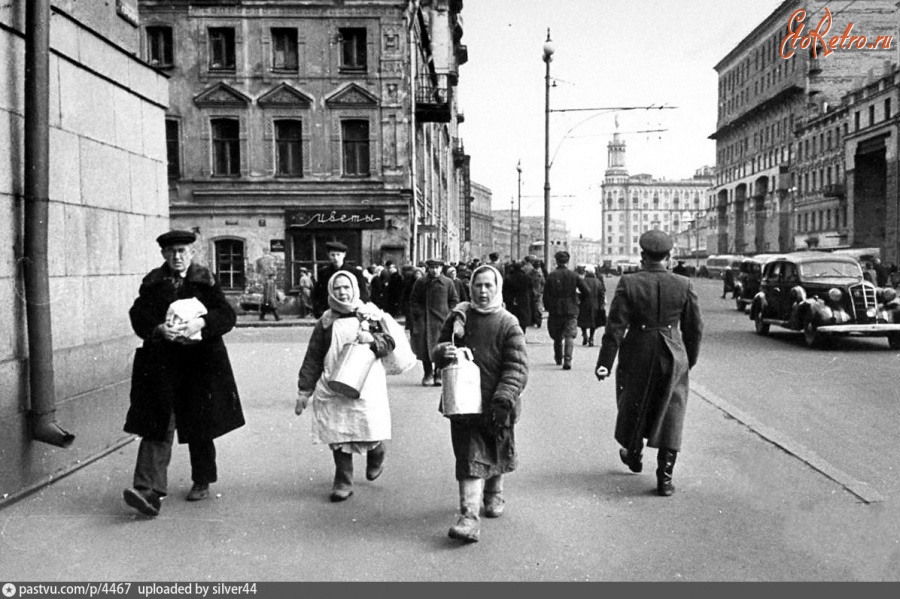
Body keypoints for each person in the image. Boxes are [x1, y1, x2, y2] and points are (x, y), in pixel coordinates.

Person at [122, 230, 245, 517]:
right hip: (162, 364)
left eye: (183, 251)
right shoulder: (153, 283)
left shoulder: (206, 281)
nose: (177, 257)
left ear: (192, 253)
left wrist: (201, 323)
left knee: (200, 423)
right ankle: (147, 491)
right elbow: (138, 315)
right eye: (172, 252)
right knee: (157, 423)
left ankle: (202, 479)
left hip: (200, 364)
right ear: (164, 254)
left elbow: (227, 315)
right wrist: (157, 329)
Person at [594, 230, 703, 497]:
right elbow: (694, 328)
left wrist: (605, 362)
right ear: (669, 256)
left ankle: (633, 454)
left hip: (637, 351)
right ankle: (665, 478)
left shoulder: (629, 283)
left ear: (642, 255)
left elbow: (615, 326)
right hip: (672, 354)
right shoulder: (684, 284)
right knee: (671, 411)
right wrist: (687, 359)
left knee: (634, 404)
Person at [432, 265, 528, 543]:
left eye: (488, 286)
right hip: (463, 402)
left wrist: (504, 397)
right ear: (470, 287)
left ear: (497, 288)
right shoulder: (459, 318)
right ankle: (468, 518)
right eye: (478, 286)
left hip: (498, 402)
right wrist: (442, 352)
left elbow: (517, 367)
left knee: (497, 450)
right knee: (469, 457)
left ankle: (494, 492)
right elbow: (438, 347)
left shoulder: (508, 323)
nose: (483, 291)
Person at [294, 272, 397, 502]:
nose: (342, 292)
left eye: (346, 287)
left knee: (367, 425)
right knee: (337, 432)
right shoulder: (326, 320)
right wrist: (304, 390)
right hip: (334, 382)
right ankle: (343, 480)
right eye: (338, 288)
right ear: (331, 291)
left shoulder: (369, 314)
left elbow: (389, 343)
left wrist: (372, 340)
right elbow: (314, 355)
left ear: (355, 289)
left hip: (366, 383)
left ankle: (376, 451)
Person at [410, 259, 459, 386]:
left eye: (437, 267)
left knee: (441, 346)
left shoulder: (448, 283)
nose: (435, 270)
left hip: (442, 321)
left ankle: (439, 373)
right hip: (425, 320)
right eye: (432, 267)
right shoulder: (421, 282)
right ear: (428, 268)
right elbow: (414, 300)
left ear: (442, 268)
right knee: (425, 348)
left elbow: (454, 300)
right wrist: (419, 313)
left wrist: (450, 313)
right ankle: (428, 373)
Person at [542, 250, 590, 370]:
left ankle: (558, 358)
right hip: (571, 308)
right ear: (567, 261)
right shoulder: (574, 275)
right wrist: (579, 301)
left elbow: (545, 294)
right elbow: (587, 291)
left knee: (557, 335)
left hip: (555, 309)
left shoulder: (551, 275)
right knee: (569, 335)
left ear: (556, 261)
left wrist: (548, 307)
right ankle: (567, 360)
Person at [312, 241, 369, 318]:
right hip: (330, 313)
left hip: (350, 313)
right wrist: (319, 311)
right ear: (328, 255)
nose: (336, 258)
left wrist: (358, 309)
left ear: (344, 255)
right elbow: (318, 293)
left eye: (338, 255)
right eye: (333, 255)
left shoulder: (355, 272)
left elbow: (363, 293)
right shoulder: (324, 273)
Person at [577, 264, 606, 347]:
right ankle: (591, 338)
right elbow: (602, 294)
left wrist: (578, 301)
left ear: (586, 272)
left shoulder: (582, 281)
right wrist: (601, 304)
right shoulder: (598, 282)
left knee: (583, 321)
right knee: (593, 323)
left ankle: (584, 335)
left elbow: (579, 293)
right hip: (595, 305)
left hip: (584, 304)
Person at [502, 261, 533, 332]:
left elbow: (504, 291)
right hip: (523, 300)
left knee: (512, 318)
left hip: (511, 301)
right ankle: (522, 333)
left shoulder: (508, 278)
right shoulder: (526, 277)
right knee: (523, 319)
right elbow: (530, 289)